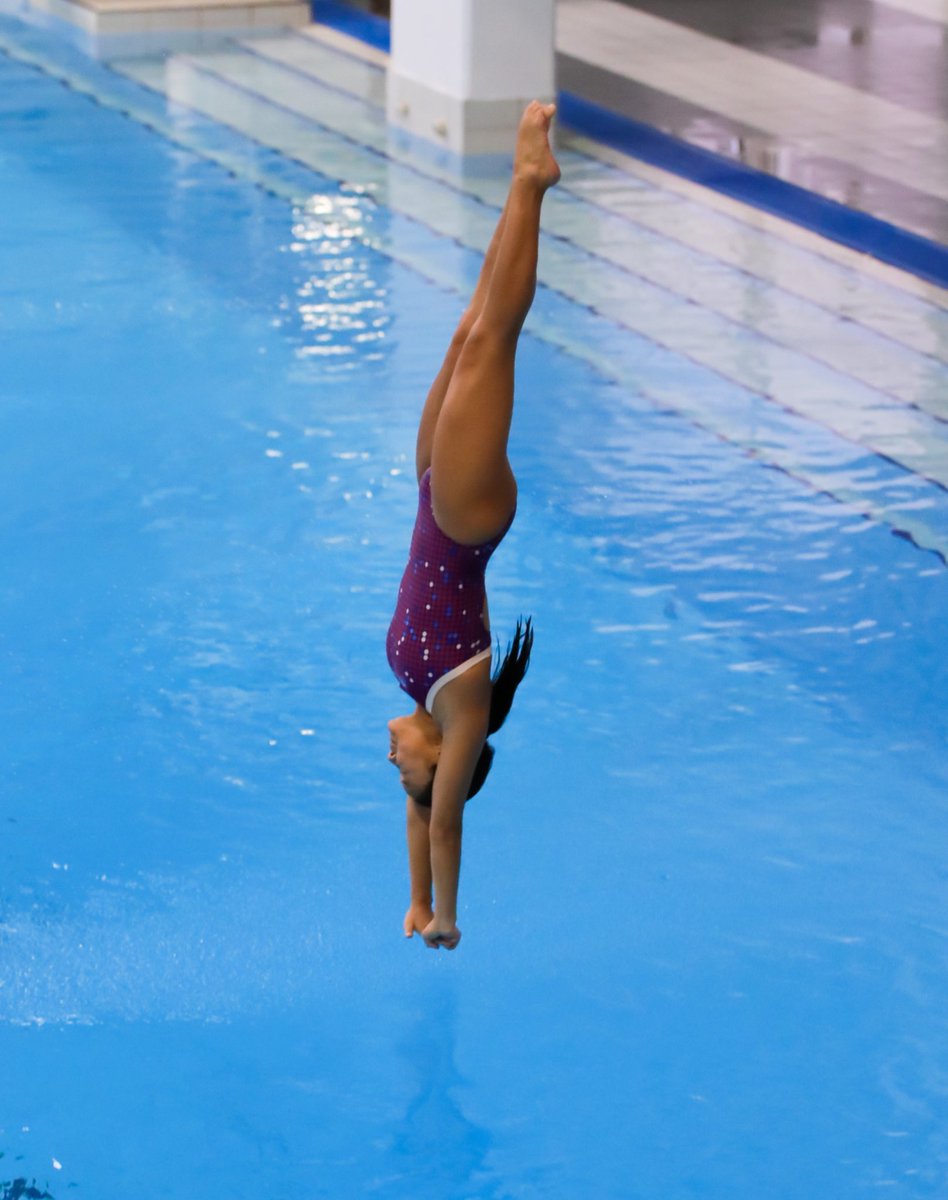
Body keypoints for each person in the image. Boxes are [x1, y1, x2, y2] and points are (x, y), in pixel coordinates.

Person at [385, 101, 560, 951]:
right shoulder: (462, 713)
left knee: (466, 333)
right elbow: (443, 823)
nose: (394, 764)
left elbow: (417, 822)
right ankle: (531, 181)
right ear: (443, 768)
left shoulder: (425, 707)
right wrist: (447, 918)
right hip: (465, 520)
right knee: (495, 340)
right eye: (412, 775)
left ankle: (522, 189)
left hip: (432, 495)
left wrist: (413, 901)